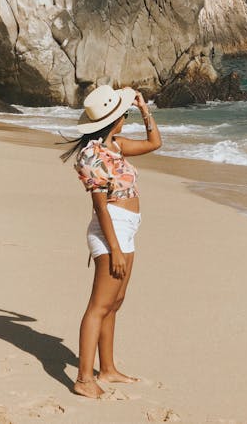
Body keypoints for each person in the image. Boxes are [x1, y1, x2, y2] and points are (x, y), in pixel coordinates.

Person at [60, 84, 162, 399]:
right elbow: (100, 206)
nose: (125, 117)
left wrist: (145, 110)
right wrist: (114, 247)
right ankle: (83, 380)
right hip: (110, 231)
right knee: (98, 306)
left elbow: (154, 143)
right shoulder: (92, 156)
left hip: (125, 228)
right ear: (112, 120)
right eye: (124, 114)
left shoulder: (114, 146)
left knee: (114, 303)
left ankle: (107, 369)